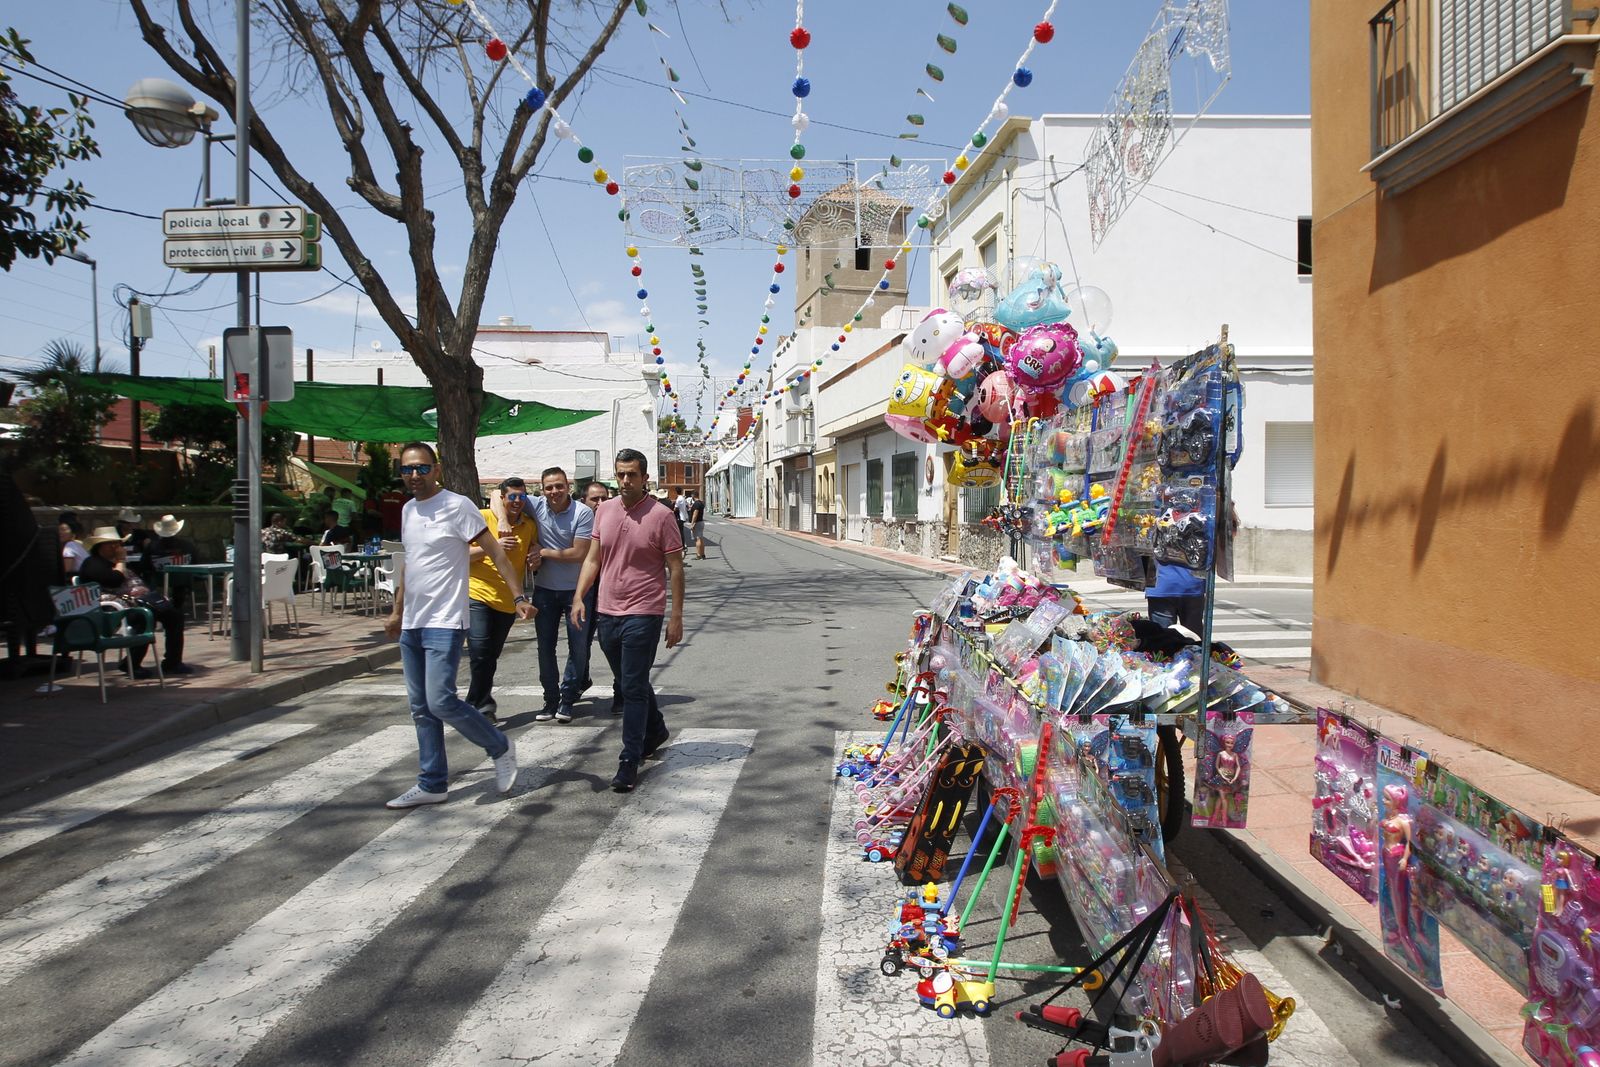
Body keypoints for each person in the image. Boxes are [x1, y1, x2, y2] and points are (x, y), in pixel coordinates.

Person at [383, 443, 529, 809]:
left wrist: (518, 598)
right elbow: (409, 564)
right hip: (413, 621)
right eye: (407, 470)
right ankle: (433, 783)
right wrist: (397, 612)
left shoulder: (457, 505)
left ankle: (499, 745)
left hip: (445, 620)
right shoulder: (408, 510)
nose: (414, 476)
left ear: (437, 469)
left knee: (441, 700)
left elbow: (496, 551)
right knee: (420, 708)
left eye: (421, 468)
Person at [572, 448, 684, 793]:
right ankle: (657, 728)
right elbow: (593, 559)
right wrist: (578, 596)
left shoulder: (661, 515)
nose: (625, 481)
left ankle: (628, 759)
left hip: (644, 611)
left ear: (644, 478)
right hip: (607, 610)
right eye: (620, 474)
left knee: (631, 687)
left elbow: (676, 568)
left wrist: (675, 617)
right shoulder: (603, 511)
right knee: (628, 679)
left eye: (632, 474)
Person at [466, 477, 539, 725]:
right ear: (503, 497)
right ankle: (483, 705)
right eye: (512, 497)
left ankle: (475, 701)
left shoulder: (529, 525)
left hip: (508, 600)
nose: (517, 502)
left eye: (522, 497)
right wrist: (493, 546)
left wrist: (535, 555)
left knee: (490, 655)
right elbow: (461, 554)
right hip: (477, 593)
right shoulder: (483, 517)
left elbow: (534, 548)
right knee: (479, 650)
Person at [527, 466, 594, 724]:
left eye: (559, 486)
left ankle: (568, 699)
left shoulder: (583, 513)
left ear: (568, 487)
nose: (554, 491)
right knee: (545, 648)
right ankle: (550, 699)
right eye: (549, 487)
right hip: (544, 591)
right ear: (542, 490)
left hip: (577, 592)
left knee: (578, 647)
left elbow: (579, 553)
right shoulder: (536, 505)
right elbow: (503, 496)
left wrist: (542, 552)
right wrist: (500, 518)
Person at [77, 526, 190, 676]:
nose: (115, 547)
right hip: (111, 608)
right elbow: (114, 581)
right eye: (110, 544)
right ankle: (131, 664)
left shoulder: (115, 563)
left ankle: (172, 662)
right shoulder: (92, 563)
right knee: (142, 617)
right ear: (99, 547)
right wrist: (121, 560)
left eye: (117, 543)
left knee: (174, 616)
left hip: (135, 602)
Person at [576, 480, 609, 697]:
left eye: (604, 499)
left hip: (611, 589)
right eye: (594, 499)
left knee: (613, 642)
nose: (599, 503)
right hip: (586, 588)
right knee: (582, 641)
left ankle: (621, 691)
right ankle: (580, 680)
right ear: (583, 501)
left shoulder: (614, 519)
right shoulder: (578, 521)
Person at [687, 491, 706, 560]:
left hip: (697, 522)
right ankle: (703, 554)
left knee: (697, 539)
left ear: (693, 495)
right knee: (701, 538)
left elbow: (695, 514)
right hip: (701, 521)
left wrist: (692, 523)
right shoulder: (701, 503)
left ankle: (698, 555)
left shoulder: (696, 504)